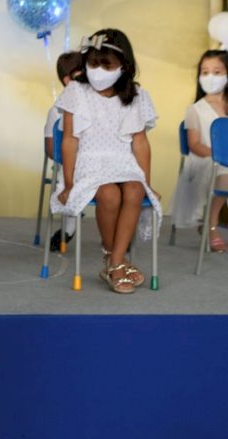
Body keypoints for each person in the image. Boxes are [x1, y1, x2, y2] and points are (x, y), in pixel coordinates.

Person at [51, 29, 161, 295]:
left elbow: (140, 142)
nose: (98, 70)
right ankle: (117, 261)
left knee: (134, 190)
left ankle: (113, 262)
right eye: (93, 64)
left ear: (123, 67)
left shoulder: (135, 95)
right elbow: (69, 140)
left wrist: (146, 181)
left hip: (122, 160)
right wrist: (68, 182)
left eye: (107, 65)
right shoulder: (76, 92)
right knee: (109, 195)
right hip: (89, 161)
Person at [170, 49, 228, 252]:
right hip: (204, 160)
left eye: (217, 72)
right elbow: (194, 144)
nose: (210, 77)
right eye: (205, 72)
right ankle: (211, 226)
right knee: (225, 173)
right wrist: (219, 156)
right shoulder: (195, 109)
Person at [44, 51, 84, 251]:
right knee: (69, 179)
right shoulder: (57, 111)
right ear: (67, 79)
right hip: (69, 163)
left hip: (96, 160)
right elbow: (51, 150)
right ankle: (68, 229)